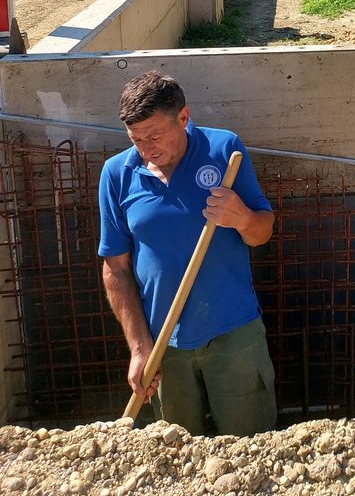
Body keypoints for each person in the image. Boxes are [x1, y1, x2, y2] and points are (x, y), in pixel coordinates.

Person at [98, 70, 276, 436]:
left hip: (233, 333)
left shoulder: (223, 150)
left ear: (183, 117)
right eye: (135, 138)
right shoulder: (117, 174)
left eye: (154, 135)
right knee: (177, 450)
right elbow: (116, 268)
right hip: (164, 346)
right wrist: (139, 347)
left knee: (251, 444)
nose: (146, 149)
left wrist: (241, 217)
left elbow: (262, 233)